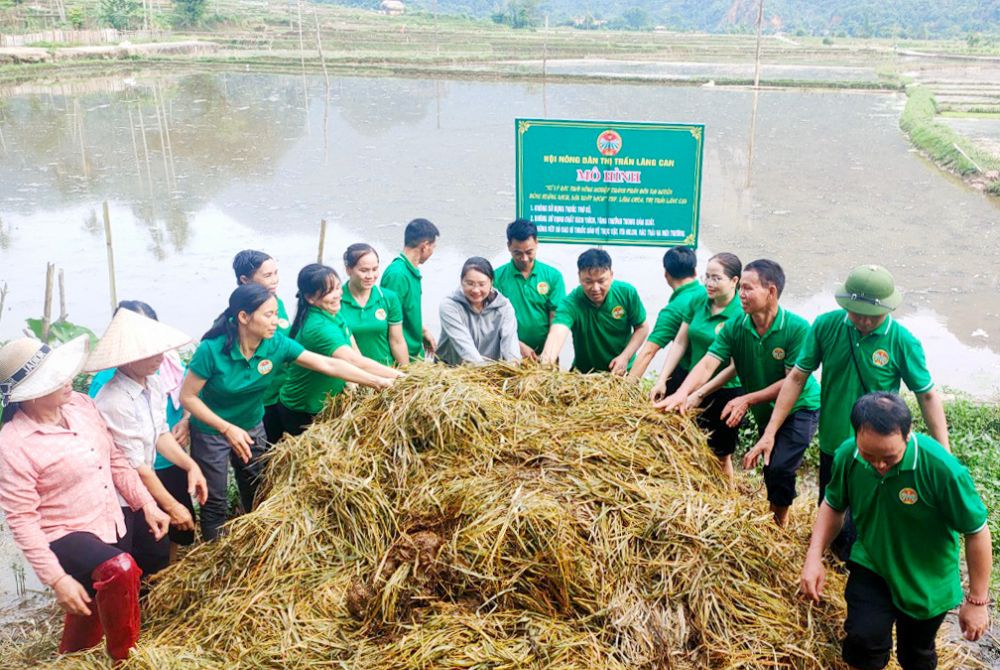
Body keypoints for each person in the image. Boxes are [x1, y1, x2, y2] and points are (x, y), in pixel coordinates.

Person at [749, 264, 949, 556]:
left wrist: (943, 452)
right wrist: (770, 432)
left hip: (877, 448)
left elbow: (927, 396)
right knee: (831, 508)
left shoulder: (902, 341)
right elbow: (796, 377)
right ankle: (827, 560)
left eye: (872, 316)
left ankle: (858, 565)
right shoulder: (826, 325)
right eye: (856, 313)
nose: (864, 322)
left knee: (865, 520)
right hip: (834, 441)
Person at [0, 336, 169, 662]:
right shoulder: (14, 444)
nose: (69, 379)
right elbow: (21, 519)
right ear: (31, 394)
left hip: (107, 519)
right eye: (55, 378)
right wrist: (57, 579)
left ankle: (71, 658)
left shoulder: (81, 405)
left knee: (89, 604)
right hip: (62, 533)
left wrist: (147, 503)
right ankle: (126, 659)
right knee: (121, 569)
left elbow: (115, 459)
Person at [180, 283, 395, 540]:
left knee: (258, 486)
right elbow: (188, 397)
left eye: (276, 314)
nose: (277, 321)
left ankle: (252, 542)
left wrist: (378, 381)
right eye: (268, 315)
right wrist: (226, 428)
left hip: (251, 425)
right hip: (212, 431)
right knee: (215, 499)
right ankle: (214, 552)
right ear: (244, 317)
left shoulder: (276, 344)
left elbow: (326, 363)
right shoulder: (212, 350)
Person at [800, 392, 991, 670]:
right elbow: (833, 504)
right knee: (863, 643)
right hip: (873, 563)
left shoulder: (942, 470)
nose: (878, 465)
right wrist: (813, 557)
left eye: (889, 457)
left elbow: (977, 531)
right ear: (856, 436)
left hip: (926, 580)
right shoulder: (847, 455)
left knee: (915, 655)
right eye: (870, 455)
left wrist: (977, 600)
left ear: (908, 434)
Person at [658, 260, 820, 526]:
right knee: (771, 466)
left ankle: (779, 525)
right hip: (765, 407)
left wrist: (746, 398)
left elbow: (792, 381)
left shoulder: (796, 328)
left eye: (748, 288)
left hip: (800, 406)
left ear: (771, 291)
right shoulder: (737, 326)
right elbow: (709, 361)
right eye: (740, 288)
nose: (741, 294)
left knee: (780, 465)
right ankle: (776, 516)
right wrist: (683, 392)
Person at [88, 308, 209, 578]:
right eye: (151, 352)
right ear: (128, 358)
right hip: (120, 494)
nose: (160, 357)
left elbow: (161, 435)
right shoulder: (115, 400)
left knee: (156, 551)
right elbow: (137, 466)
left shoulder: (152, 383)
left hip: (143, 483)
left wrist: (190, 465)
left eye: (160, 350)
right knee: (129, 556)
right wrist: (173, 505)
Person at [277, 264, 403, 436]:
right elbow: (352, 361)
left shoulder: (334, 312)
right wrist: (388, 379)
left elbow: (355, 353)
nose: (337, 294)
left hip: (326, 403)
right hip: (303, 410)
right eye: (329, 291)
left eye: (337, 287)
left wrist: (396, 376)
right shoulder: (317, 327)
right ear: (310, 298)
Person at [654, 252, 743, 478]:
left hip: (724, 389)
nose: (709, 284)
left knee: (720, 453)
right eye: (707, 277)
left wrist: (701, 393)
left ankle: (728, 500)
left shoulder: (741, 313)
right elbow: (681, 343)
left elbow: (735, 366)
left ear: (734, 281)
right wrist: (662, 379)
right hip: (691, 380)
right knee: (684, 441)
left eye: (716, 278)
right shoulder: (698, 301)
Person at [540, 248, 648, 374]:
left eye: (601, 281)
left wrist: (625, 357)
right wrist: (545, 364)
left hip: (621, 374)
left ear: (611, 276)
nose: (595, 288)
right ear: (579, 277)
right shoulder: (571, 303)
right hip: (585, 378)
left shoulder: (627, 293)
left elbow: (642, 327)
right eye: (588, 281)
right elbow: (557, 333)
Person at [627, 246, 706, 399]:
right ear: (695, 272)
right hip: (723, 379)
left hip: (689, 380)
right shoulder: (709, 294)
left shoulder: (673, 310)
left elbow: (648, 352)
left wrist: (624, 390)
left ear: (666, 274)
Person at [233, 249, 290, 445]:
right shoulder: (239, 315)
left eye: (276, 273)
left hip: (282, 393)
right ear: (245, 280)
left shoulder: (276, 302)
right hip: (259, 401)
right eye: (267, 275)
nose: (275, 280)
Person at [492, 219, 566, 361]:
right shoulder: (497, 278)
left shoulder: (553, 276)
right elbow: (493, 321)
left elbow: (556, 318)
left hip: (545, 356)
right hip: (509, 356)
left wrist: (549, 353)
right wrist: (517, 345)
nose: (524, 258)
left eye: (529, 252)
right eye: (518, 253)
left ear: (537, 243)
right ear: (508, 246)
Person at [436, 257, 521, 366]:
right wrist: (483, 371)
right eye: (470, 283)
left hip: (490, 376)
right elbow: (463, 344)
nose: (476, 290)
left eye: (482, 284)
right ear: (461, 281)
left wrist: (513, 367)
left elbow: (510, 344)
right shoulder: (450, 305)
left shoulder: (504, 308)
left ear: (491, 283)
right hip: (452, 372)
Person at [380, 218, 439, 361]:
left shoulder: (412, 271)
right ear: (424, 246)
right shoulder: (397, 275)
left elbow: (408, 310)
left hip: (415, 354)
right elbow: (388, 320)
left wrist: (423, 331)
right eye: (433, 247)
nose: (432, 251)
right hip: (402, 358)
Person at [340, 243, 409, 367]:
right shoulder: (335, 301)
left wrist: (408, 377)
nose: (370, 276)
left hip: (385, 374)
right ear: (348, 270)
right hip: (351, 377)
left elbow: (397, 342)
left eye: (375, 269)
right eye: (364, 270)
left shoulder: (388, 298)